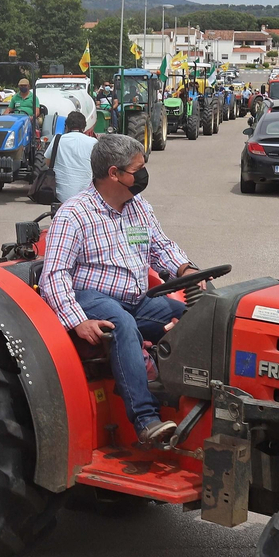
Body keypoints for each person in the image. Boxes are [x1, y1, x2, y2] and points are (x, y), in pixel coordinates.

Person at [40, 133, 198, 445]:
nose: (143, 175)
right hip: (92, 298)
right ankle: (145, 419)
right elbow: (54, 275)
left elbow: (159, 246)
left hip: (138, 299)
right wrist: (77, 320)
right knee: (122, 324)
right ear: (114, 173)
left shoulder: (139, 208)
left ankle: (194, 397)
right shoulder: (74, 215)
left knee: (195, 316)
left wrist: (185, 269)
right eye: (137, 169)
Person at [52, 111, 98, 203]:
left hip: (60, 196)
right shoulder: (93, 142)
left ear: (66, 126)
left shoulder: (58, 139)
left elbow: (48, 162)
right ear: (84, 127)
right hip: (85, 195)